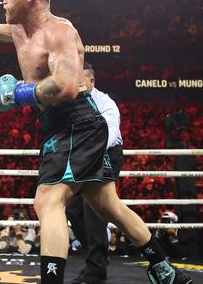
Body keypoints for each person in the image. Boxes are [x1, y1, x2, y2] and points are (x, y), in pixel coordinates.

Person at [0, 0, 192, 284]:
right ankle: (163, 269)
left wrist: (19, 93)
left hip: (77, 121)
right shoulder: (20, 30)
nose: (2, 0)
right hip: (58, 125)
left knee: (48, 200)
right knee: (108, 205)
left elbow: (65, 86)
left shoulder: (60, 31)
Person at [65, 62, 123, 283]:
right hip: (81, 155)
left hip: (106, 153)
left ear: (91, 81)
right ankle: (96, 256)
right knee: (72, 208)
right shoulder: (72, 101)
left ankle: (95, 270)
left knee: (94, 208)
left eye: (81, 81)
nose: (77, 86)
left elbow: (108, 134)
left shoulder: (106, 103)